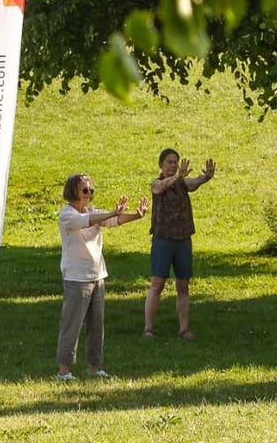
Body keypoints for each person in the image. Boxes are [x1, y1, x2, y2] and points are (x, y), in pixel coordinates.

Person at [56, 174, 148, 381]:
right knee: (72, 325)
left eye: (91, 190)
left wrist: (136, 215)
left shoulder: (93, 211)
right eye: (85, 190)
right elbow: (86, 221)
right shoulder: (67, 215)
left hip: (97, 275)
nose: (89, 194)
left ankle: (94, 367)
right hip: (76, 278)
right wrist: (112, 212)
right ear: (73, 191)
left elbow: (114, 221)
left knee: (97, 326)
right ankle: (64, 371)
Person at [143, 148, 215, 340]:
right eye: (169, 162)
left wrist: (206, 177)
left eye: (175, 162)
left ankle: (184, 329)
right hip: (163, 239)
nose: (173, 165)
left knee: (183, 285)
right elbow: (159, 188)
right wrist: (178, 177)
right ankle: (148, 328)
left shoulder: (181, 182)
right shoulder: (157, 183)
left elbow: (193, 183)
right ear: (161, 165)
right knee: (157, 284)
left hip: (183, 240)